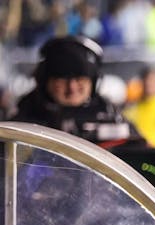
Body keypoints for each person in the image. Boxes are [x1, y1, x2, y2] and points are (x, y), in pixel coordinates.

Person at [11, 35, 142, 148]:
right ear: (45, 80)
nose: (72, 88)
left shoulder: (111, 118)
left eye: (80, 79)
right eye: (63, 79)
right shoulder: (23, 119)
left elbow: (143, 161)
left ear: (94, 82)